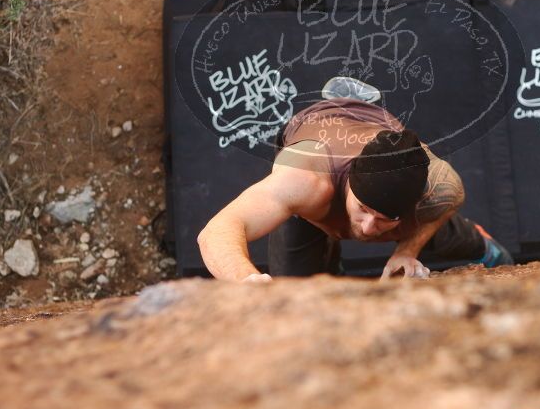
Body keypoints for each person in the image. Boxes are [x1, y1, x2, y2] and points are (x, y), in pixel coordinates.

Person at [197, 95, 513, 282]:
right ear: (349, 186)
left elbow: (452, 196)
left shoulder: (438, 186)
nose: (369, 228)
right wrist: (247, 280)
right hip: (318, 145)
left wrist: (406, 251)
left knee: (442, 230)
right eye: (363, 209)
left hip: (387, 150)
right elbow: (217, 230)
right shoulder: (302, 179)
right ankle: (330, 257)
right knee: (294, 287)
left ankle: (482, 243)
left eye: (385, 218)